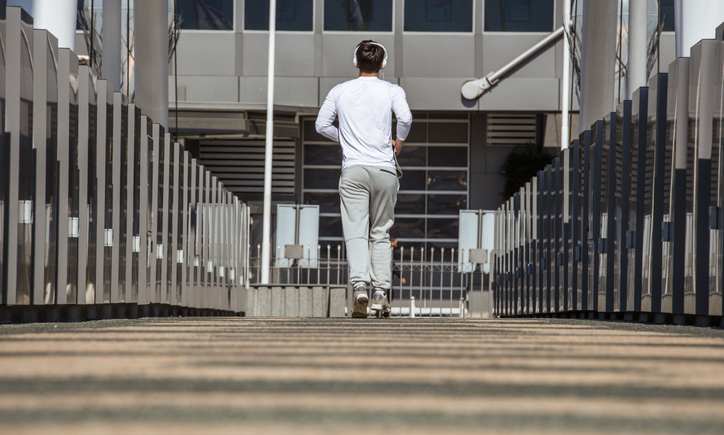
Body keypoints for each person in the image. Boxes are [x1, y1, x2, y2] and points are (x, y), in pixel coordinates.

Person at [315, 40, 412, 318]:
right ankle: (381, 293)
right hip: (384, 170)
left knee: (356, 231)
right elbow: (405, 118)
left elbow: (321, 125)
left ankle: (360, 288)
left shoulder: (339, 91)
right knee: (380, 232)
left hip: (354, 170)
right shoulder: (392, 90)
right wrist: (399, 142)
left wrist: (345, 139)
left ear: (355, 62)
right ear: (383, 64)